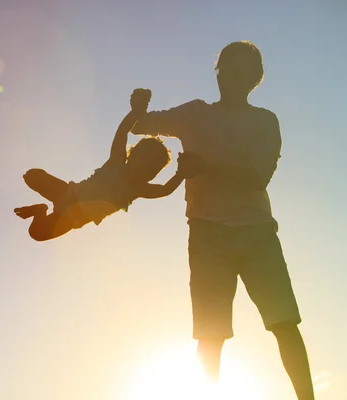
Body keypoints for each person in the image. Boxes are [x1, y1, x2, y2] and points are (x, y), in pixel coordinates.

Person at [130, 41, 315, 399]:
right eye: (226, 67)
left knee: (284, 323)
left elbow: (256, 176)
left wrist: (204, 167)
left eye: (241, 69)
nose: (230, 75)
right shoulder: (194, 113)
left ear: (254, 79)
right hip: (206, 234)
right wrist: (138, 106)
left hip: (257, 234)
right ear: (218, 73)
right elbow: (142, 125)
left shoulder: (265, 121)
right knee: (210, 335)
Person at [14, 90, 188, 241]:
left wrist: (182, 172)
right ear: (132, 156)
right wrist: (136, 111)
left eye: (152, 170)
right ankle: (40, 194)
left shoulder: (138, 189)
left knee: (36, 233)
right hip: (68, 193)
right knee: (32, 176)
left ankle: (40, 210)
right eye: (145, 163)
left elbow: (165, 189)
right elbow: (122, 133)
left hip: (72, 217)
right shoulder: (116, 162)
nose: (146, 171)